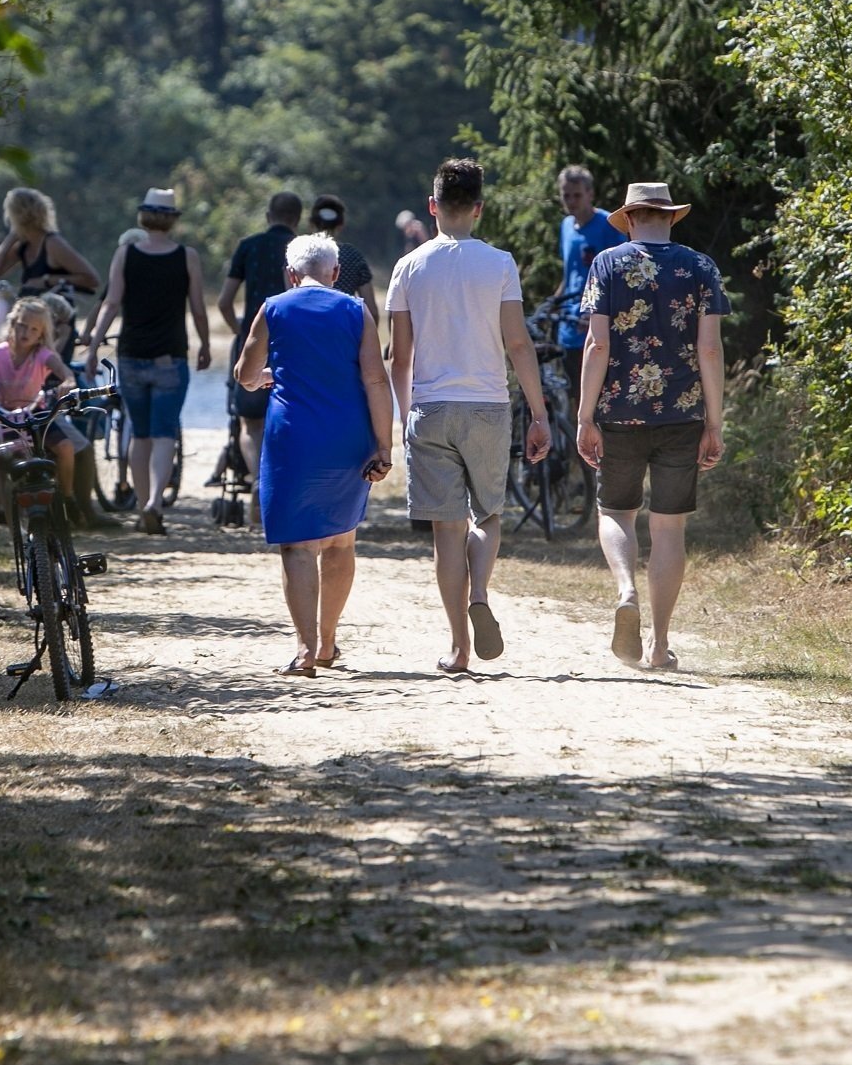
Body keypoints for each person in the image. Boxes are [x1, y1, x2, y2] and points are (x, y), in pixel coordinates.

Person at [387, 158, 551, 675]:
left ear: (433, 206)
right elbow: (518, 343)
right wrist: (540, 415)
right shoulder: (499, 263)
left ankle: (458, 648)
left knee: (446, 532)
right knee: (489, 515)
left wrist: (401, 416)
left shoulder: (408, 267)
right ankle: (479, 591)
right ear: (478, 208)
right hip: (488, 406)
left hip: (430, 408)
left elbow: (400, 356)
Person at [574, 182, 730, 671]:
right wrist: (714, 421)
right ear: (668, 216)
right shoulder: (701, 267)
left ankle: (626, 591)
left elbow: (597, 346)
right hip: (683, 416)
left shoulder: (607, 264)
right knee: (669, 529)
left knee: (616, 512)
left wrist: (584, 415)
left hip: (619, 412)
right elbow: (709, 349)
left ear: (631, 216)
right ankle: (660, 645)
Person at [233, 234, 394, 676]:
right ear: (337, 274)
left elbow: (245, 374)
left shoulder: (274, 308)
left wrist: (266, 376)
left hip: (293, 437)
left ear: (290, 274)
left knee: (297, 546)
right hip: (348, 436)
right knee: (341, 539)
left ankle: (304, 650)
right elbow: (376, 382)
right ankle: (327, 643)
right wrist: (384, 445)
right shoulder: (356, 310)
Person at [86, 188, 212, 534]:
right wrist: (204, 344)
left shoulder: (125, 254)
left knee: (139, 435)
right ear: (172, 219)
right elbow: (198, 307)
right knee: (163, 433)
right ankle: (156, 500)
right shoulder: (187, 257)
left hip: (131, 356)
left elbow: (111, 304)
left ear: (144, 216)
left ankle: (143, 506)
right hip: (170, 356)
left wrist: (94, 346)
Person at [0, 297, 90, 553]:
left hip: (34, 415)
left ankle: (67, 497)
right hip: (1, 417)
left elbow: (64, 371)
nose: (26, 333)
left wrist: (67, 381)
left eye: (33, 329)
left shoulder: (43, 355)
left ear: (42, 333)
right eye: (22, 326)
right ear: (13, 324)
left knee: (66, 447)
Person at [217, 192, 302, 526]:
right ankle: (285, 482)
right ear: (297, 218)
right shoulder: (301, 250)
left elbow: (224, 300)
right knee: (291, 416)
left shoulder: (248, 246)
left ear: (268, 215)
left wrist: (242, 332)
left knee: (250, 422)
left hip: (253, 340)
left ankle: (258, 477)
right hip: (294, 343)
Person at [549, 164, 626, 410]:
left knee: (596, 397)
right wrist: (553, 302)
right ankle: (573, 446)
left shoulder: (608, 225)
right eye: (566, 195)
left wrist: (598, 313)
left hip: (596, 326)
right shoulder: (566, 227)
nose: (571, 201)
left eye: (577, 195)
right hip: (569, 326)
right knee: (573, 397)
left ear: (590, 194)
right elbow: (569, 273)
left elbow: (620, 277)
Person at [0, 187, 102, 300]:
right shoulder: (22, 246)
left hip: (57, 317)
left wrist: (47, 281)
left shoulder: (53, 244)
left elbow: (91, 279)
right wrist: (9, 240)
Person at [308, 194, 381, 332]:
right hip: (344, 334)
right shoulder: (353, 256)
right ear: (341, 225)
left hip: (307, 334)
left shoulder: (299, 254)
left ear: (311, 223)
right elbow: (372, 311)